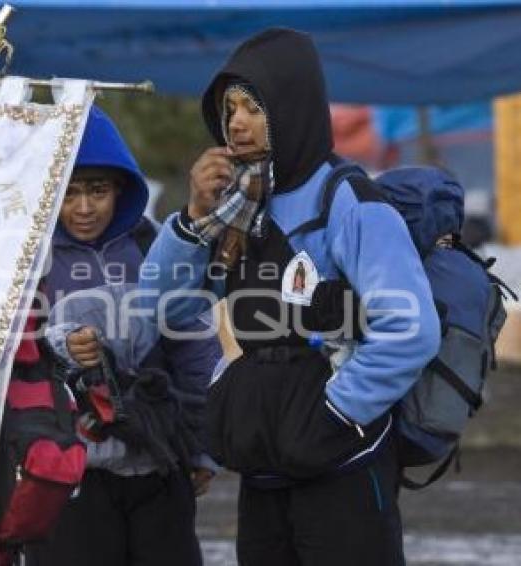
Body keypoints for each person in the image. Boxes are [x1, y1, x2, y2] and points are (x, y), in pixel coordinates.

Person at [139, 28, 441, 566]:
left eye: (253, 107)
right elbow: (164, 310)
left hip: (344, 461)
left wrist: (337, 412)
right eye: (228, 108)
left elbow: (410, 328)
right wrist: (191, 220)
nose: (235, 122)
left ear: (292, 105)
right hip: (266, 462)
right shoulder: (238, 206)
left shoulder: (347, 202)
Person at [23, 105, 222, 566]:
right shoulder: (27, 263)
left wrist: (203, 449)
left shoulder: (156, 250)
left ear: (122, 189)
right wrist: (61, 347)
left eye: (97, 191)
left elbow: (195, 351)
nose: (84, 208)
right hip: (66, 471)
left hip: (158, 459)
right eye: (69, 193)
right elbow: (6, 356)